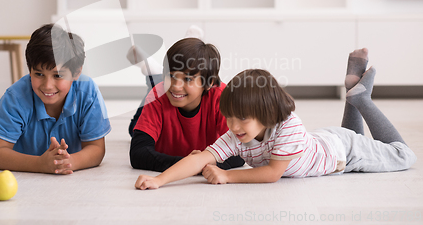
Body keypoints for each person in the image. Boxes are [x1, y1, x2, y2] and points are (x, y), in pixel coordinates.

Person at [135, 49, 417, 189]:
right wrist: (160, 181)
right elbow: (199, 158)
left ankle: (360, 99)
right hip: (329, 141)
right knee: (351, 134)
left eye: (241, 119)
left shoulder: (288, 126)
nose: (232, 127)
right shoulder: (238, 132)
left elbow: (272, 173)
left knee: (403, 156)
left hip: (347, 155)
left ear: (266, 115)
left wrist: (227, 175)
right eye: (229, 117)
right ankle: (352, 88)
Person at [0, 23, 111, 174]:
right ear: (30, 71)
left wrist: (69, 162)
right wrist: (40, 164)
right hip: (15, 138)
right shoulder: (15, 98)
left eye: (58, 75)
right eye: (39, 74)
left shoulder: (88, 93)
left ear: (76, 72)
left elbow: (96, 148)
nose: (47, 86)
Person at [129, 29, 245, 172]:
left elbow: (240, 153)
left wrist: (192, 164)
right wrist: (192, 164)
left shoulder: (222, 97)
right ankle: (156, 73)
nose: (176, 86)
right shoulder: (159, 94)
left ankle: (156, 71)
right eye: (171, 76)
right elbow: (138, 154)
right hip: (160, 94)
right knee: (134, 128)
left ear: (208, 83)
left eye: (188, 79)